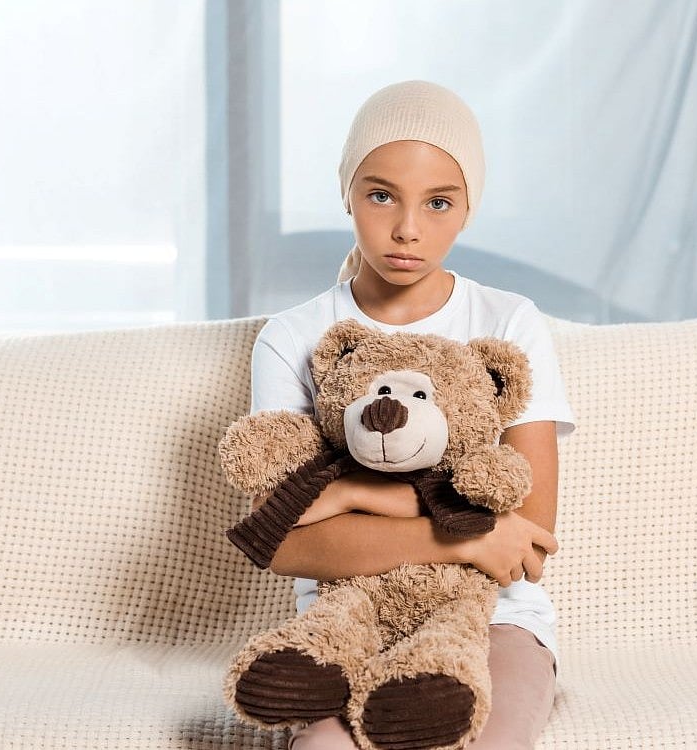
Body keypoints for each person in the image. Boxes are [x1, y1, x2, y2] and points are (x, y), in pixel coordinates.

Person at [247, 79, 577, 749]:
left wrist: (348, 494)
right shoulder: (295, 336)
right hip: (345, 619)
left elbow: (529, 534)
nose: (407, 228)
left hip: (494, 618)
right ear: (347, 192)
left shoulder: (507, 321)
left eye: (438, 202)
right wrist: (469, 535)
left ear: (467, 208)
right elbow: (282, 540)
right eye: (381, 195)